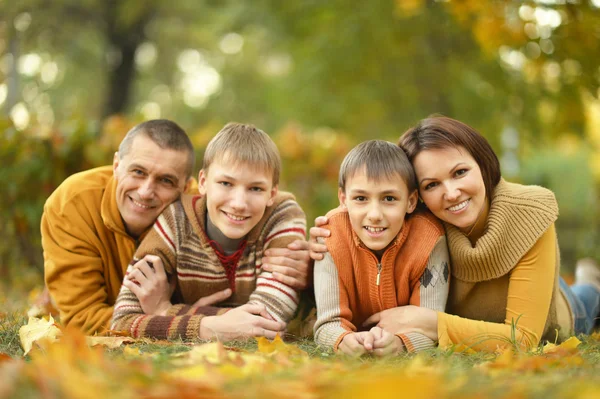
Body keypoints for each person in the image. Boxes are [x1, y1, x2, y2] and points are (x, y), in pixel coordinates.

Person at [310, 116, 600, 352]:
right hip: (486, 312)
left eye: (460, 172)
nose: (450, 193)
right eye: (432, 184)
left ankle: (591, 282)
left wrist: (430, 323)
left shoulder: (528, 212)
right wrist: (327, 232)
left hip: (560, 311)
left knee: (588, 296)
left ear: (481, 162)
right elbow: (370, 209)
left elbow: (523, 338)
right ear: (416, 197)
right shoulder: (419, 221)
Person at [42, 119, 310, 335]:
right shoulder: (72, 205)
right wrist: (205, 323)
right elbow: (88, 319)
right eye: (137, 172)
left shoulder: (194, 210)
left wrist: (166, 312)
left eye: (166, 181)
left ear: (188, 187)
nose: (146, 191)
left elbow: (260, 322)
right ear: (116, 165)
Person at [313, 140, 449, 357]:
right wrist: (342, 341)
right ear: (343, 199)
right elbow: (326, 323)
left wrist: (401, 344)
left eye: (389, 198)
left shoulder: (429, 239)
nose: (374, 214)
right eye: (360, 198)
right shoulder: (330, 235)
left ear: (411, 201)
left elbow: (430, 325)